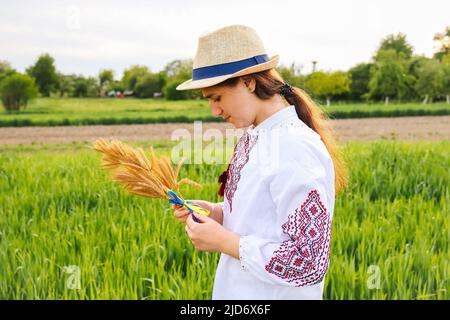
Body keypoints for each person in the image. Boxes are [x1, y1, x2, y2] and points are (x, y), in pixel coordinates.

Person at [171, 24, 348, 300]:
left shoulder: (294, 146)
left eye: (217, 98)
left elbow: (309, 262)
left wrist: (224, 241)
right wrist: (217, 213)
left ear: (248, 82)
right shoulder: (255, 136)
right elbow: (261, 216)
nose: (215, 110)